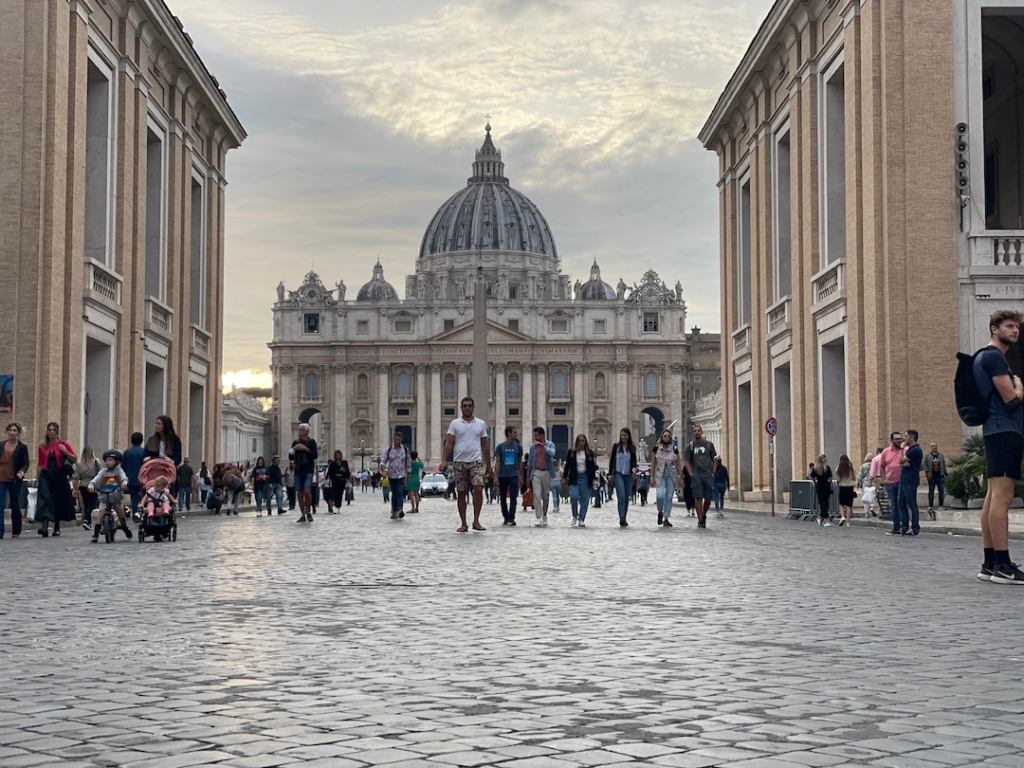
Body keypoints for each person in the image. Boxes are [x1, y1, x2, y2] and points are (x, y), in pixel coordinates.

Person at [975, 309, 1024, 583]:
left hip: (995, 431)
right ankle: (1003, 565)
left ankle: (990, 562)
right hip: (1005, 431)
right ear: (994, 328)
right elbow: (1011, 400)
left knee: (993, 497)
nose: (1015, 331)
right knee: (1002, 499)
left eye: (1016, 327)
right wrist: (1019, 385)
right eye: (1009, 326)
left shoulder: (986, 356)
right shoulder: (994, 357)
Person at [438, 396, 491, 533]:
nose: (467, 408)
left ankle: (476, 520)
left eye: (469, 405)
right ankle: (463, 523)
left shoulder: (481, 424)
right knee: (461, 492)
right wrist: (444, 460)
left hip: (476, 461)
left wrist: (489, 465)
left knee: (478, 489)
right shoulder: (455, 424)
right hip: (459, 461)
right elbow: (449, 443)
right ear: (461, 408)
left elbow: (485, 445)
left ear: (473, 407)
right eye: (465, 406)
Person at [35, 422, 77, 537]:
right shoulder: (42, 446)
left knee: (57, 500)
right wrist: (37, 477)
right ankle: (44, 526)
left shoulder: (63, 444)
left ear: (57, 432)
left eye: (53, 430)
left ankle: (56, 527)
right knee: (45, 499)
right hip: (46, 475)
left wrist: (64, 450)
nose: (51, 432)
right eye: (49, 429)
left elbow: (74, 458)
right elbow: (40, 463)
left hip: (59, 475)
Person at [87, 450, 132, 542]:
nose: (107, 462)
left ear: (117, 462)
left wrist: (124, 483)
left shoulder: (119, 471)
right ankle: (96, 534)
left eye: (110, 460)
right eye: (106, 460)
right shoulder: (103, 472)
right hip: (104, 497)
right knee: (101, 514)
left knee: (120, 513)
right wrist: (91, 485)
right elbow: (96, 479)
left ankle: (124, 527)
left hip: (115, 497)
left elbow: (123, 477)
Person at [683, 424, 718, 529]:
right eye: (695, 431)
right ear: (692, 433)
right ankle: (700, 520)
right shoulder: (690, 446)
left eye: (699, 430)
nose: (697, 432)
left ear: (702, 432)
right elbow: (687, 461)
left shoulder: (709, 445)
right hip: (696, 476)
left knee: (708, 499)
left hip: (708, 475)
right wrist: (691, 473)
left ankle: (703, 513)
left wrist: (713, 472)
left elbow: (715, 458)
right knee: (698, 498)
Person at [0, 423, 29, 539]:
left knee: (15, 505)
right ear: (7, 432)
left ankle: (16, 529)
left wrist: (21, 472)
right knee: (0, 505)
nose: (12, 432)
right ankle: (0, 531)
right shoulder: (1, 445)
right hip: (1, 478)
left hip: (14, 479)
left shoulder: (22, 447)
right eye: (10, 430)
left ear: (18, 433)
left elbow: (25, 463)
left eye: (15, 430)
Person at [562, 433, 598, 528]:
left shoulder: (589, 453)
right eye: (579, 441)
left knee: (585, 500)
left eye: (583, 441)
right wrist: (564, 477)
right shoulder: (572, 452)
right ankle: (574, 515)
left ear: (585, 442)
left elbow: (592, 467)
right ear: (576, 442)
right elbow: (567, 466)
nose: (581, 443)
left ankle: (581, 518)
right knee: (573, 497)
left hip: (586, 478)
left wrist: (594, 478)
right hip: (575, 477)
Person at [524, 427, 556, 527]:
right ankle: (538, 517)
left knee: (545, 497)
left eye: (536, 435)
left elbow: (553, 453)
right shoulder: (533, 447)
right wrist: (528, 477)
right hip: (536, 472)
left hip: (546, 472)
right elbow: (529, 462)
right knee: (536, 495)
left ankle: (544, 515)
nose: (535, 437)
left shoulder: (550, 444)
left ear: (542, 435)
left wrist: (544, 447)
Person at [651, 429, 681, 527]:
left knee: (669, 497)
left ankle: (666, 518)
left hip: (671, 476)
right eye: (665, 436)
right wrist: (651, 476)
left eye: (668, 436)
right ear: (661, 437)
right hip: (660, 475)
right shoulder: (656, 448)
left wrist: (680, 476)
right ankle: (660, 511)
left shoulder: (674, 448)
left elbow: (678, 463)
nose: (666, 438)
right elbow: (653, 463)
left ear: (670, 438)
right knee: (660, 495)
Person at [608, 428, 637, 527]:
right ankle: (621, 518)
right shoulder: (616, 447)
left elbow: (634, 461)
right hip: (618, 473)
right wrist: (610, 474)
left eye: (625, 435)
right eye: (622, 435)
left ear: (628, 436)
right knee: (621, 496)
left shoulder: (632, 447)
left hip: (628, 474)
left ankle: (624, 516)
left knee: (626, 497)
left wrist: (634, 468)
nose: (623, 437)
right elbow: (612, 461)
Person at [494, 426, 523, 526]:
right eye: (514, 432)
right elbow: (497, 462)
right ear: (509, 433)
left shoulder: (518, 447)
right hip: (502, 475)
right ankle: (505, 517)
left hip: (514, 475)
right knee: (502, 498)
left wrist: (520, 476)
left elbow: (519, 462)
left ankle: (512, 517)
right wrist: (496, 476)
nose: (516, 434)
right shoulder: (500, 447)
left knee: (513, 497)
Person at [877, 432, 905, 535]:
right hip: (890, 483)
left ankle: (904, 526)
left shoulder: (904, 450)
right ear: (892, 440)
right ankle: (896, 526)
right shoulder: (886, 452)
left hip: (902, 482)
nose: (899, 440)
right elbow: (882, 466)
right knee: (894, 505)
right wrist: (884, 479)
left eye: (900, 438)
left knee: (901, 504)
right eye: (897, 439)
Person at [897, 430, 923, 536]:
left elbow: (900, 461)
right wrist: (904, 462)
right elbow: (903, 463)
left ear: (912, 438)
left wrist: (901, 449)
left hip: (910, 480)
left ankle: (915, 527)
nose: (904, 438)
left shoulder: (915, 450)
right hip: (904, 479)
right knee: (901, 503)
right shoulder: (911, 450)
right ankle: (904, 526)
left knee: (911, 504)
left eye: (906, 436)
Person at [291, 423, 318, 523]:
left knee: (307, 491)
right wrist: (294, 449)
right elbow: (290, 455)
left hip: (308, 470)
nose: (299, 431)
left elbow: (314, 456)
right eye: (299, 429)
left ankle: (308, 512)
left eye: (301, 429)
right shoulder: (295, 442)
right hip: (298, 470)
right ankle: (303, 514)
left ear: (307, 431)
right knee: (300, 493)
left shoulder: (312, 442)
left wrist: (305, 449)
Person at [380, 432, 411, 520]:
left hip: (401, 475)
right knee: (394, 493)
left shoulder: (405, 449)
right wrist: (383, 469)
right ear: (393, 439)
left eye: (399, 440)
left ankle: (400, 510)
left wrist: (408, 474)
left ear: (401, 440)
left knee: (400, 492)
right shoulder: (389, 449)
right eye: (396, 439)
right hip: (391, 475)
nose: (398, 441)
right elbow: (383, 460)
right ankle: (394, 511)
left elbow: (408, 462)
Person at [74, 447, 100, 530]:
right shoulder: (96, 462)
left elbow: (76, 477)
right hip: (92, 484)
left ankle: (87, 521)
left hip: (82, 485)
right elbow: (100, 474)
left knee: (85, 504)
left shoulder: (79, 464)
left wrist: (75, 489)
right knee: (91, 504)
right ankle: (86, 520)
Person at [122, 432, 145, 517]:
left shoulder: (127, 452)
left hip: (130, 478)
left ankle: (135, 512)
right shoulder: (144, 452)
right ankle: (141, 511)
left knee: (134, 497)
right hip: (142, 479)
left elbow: (123, 466)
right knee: (143, 496)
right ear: (141, 441)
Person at [924, 442, 947, 519]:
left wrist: (945, 473)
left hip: (940, 476)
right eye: (933, 446)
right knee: (931, 492)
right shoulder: (927, 456)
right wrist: (927, 472)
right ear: (931, 447)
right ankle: (930, 506)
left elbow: (943, 464)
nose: (934, 447)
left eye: (935, 446)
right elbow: (925, 465)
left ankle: (941, 505)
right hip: (932, 477)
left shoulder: (941, 455)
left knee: (941, 491)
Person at [810, 454, 833, 527]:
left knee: (823, 503)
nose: (825, 460)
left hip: (820, 486)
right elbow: (830, 477)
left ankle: (821, 518)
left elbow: (812, 476)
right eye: (824, 459)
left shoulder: (816, 468)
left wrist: (815, 481)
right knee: (824, 503)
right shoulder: (826, 468)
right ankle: (826, 519)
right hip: (826, 486)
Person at [835, 454, 856, 527]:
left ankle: (842, 516)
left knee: (841, 503)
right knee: (848, 505)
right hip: (849, 486)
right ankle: (848, 522)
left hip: (842, 486)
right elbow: (854, 477)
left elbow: (837, 478)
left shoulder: (838, 467)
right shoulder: (850, 467)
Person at [857, 452, 877, 518]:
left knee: (866, 497)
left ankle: (866, 513)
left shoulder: (864, 465)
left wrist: (859, 483)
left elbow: (860, 475)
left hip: (865, 482)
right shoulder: (874, 464)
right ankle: (872, 507)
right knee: (873, 495)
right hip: (873, 481)